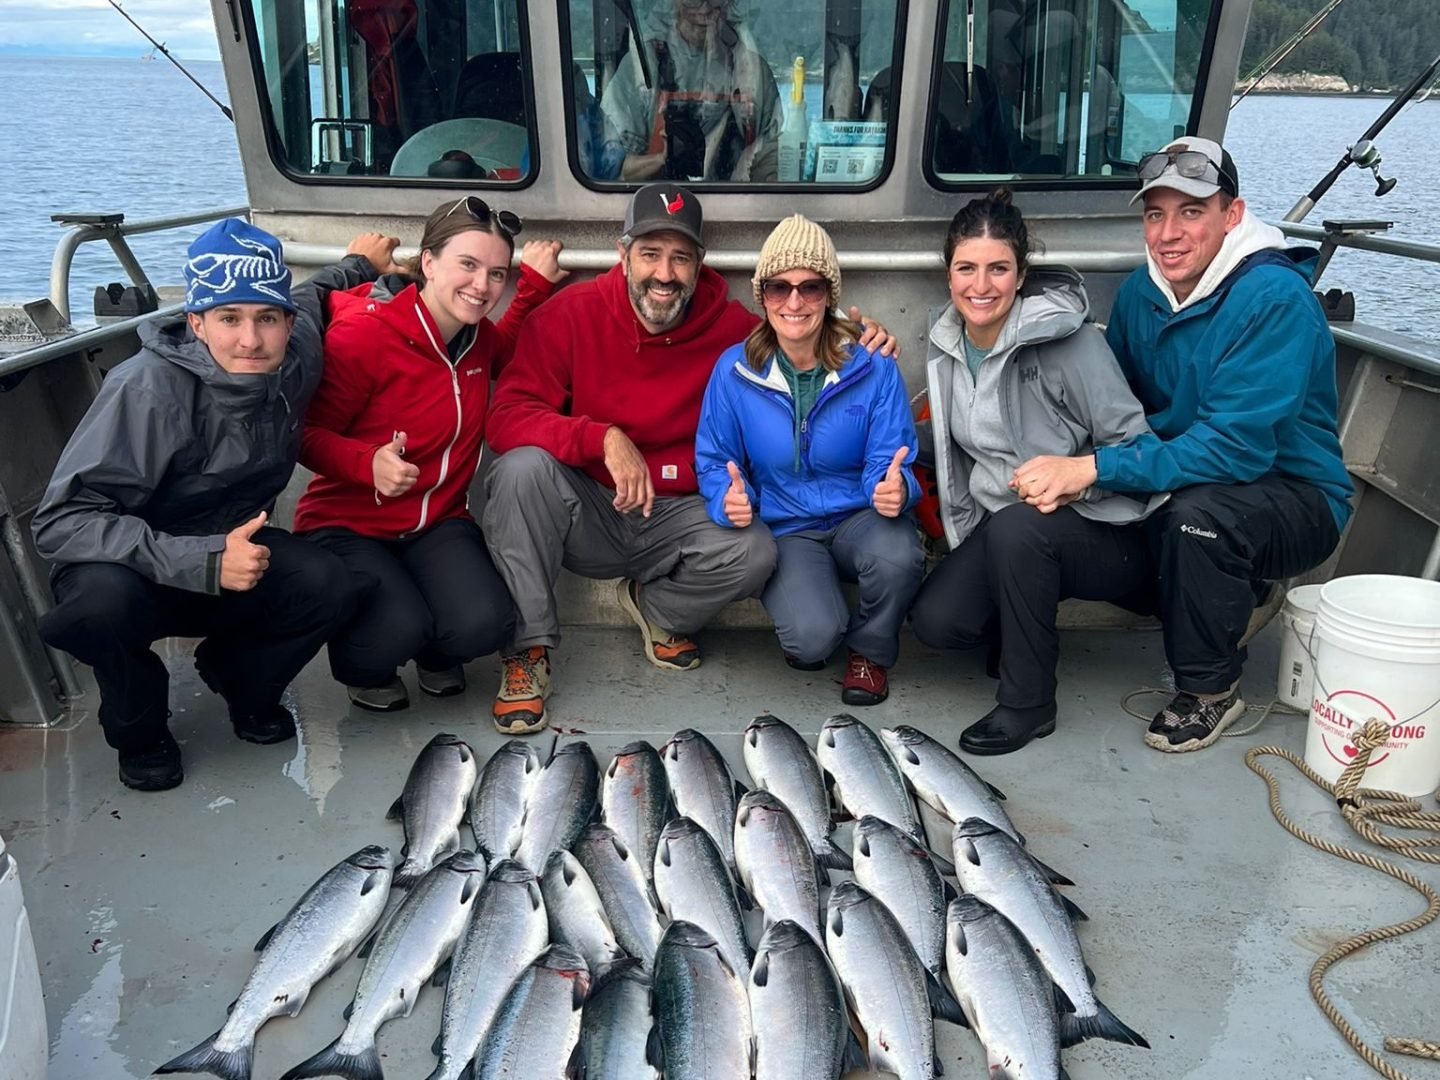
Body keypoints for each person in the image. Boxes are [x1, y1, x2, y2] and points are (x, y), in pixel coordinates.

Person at [483, 183, 896, 733]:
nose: (664, 273)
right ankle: (528, 649)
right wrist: (601, 437)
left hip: (680, 513)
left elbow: (800, 329)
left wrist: (862, 341)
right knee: (517, 470)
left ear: (700, 265)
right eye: (650, 254)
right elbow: (505, 416)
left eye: (680, 258)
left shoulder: (733, 332)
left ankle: (658, 612)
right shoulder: (567, 315)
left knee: (754, 549)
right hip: (587, 509)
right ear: (623, 254)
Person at [1011, 137, 1353, 753]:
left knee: (1200, 518)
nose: (1169, 233)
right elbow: (1110, 401)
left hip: (1294, 493)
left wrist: (1092, 468)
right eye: (1155, 214)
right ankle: (1218, 596)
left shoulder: (1275, 300)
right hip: (1180, 475)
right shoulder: (1144, 294)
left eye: (1191, 212)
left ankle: (1211, 689)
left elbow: (1235, 452)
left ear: (1234, 214)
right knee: (1084, 518)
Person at [31, 219, 392, 791]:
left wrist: (360, 265)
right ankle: (140, 732)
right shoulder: (145, 389)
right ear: (196, 323)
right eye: (229, 318)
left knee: (328, 582)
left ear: (286, 325)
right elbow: (59, 523)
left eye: (265, 318)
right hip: (130, 569)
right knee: (100, 606)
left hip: (233, 552)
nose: (250, 339)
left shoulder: (293, 358)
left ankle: (241, 682)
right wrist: (200, 560)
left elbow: (314, 294)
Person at [907, 190, 1161, 754]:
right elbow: (959, 447)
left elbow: (1142, 448)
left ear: (1021, 275)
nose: (981, 285)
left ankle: (1029, 702)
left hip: (1101, 528)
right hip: (1006, 533)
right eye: (966, 268)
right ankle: (1016, 614)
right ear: (947, 274)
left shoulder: (1069, 344)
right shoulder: (946, 343)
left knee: (1019, 528)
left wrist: (1079, 473)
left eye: (998, 269)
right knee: (937, 624)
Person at [293, 197, 567, 713]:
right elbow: (304, 434)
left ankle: (436, 649)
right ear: (429, 263)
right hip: (348, 524)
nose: (482, 286)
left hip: (435, 523)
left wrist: (533, 288)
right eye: (467, 265)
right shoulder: (365, 336)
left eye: (496, 273)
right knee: (395, 626)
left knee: (486, 621)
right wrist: (365, 462)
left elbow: (502, 347)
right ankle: (366, 667)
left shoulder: (475, 339)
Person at [695, 215, 923, 705]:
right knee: (811, 641)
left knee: (899, 555)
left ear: (830, 294)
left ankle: (870, 651)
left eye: (811, 287)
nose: (794, 302)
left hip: (860, 515)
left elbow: (893, 457)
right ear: (762, 296)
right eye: (779, 288)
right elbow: (715, 460)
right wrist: (727, 499)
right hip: (788, 525)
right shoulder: (735, 371)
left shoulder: (873, 365)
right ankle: (820, 616)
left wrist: (897, 487)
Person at [598, 0, 781, 181]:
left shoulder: (752, 71)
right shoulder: (643, 65)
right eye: (692, 0)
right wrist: (662, 159)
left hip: (736, 206)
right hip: (658, 204)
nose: (705, 7)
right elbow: (614, 169)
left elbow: (772, 159)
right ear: (673, 2)